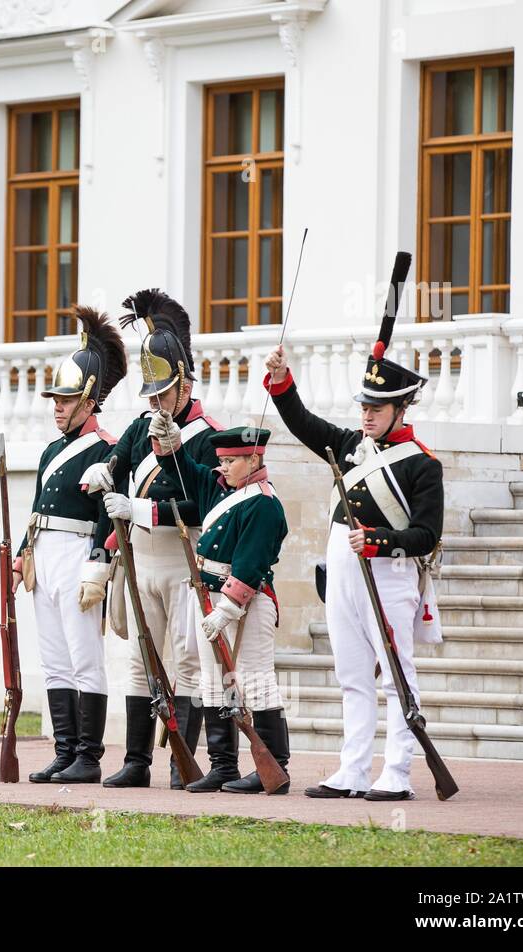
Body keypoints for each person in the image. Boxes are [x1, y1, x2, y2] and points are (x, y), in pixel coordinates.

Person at [264, 313, 442, 802]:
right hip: (343, 567)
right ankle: (353, 770)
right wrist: (282, 383)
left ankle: (398, 772)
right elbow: (302, 423)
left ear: (401, 408)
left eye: (378, 408)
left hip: (389, 572)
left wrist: (380, 540)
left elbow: (427, 535)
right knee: (352, 675)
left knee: (397, 675)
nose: (367, 416)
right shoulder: (349, 446)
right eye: (364, 406)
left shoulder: (423, 465)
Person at [82, 289, 220, 789]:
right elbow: (116, 476)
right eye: (152, 394)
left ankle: (181, 762)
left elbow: (203, 508)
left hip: (185, 562)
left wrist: (139, 508)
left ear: (184, 385)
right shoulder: (141, 429)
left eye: (163, 393)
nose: (156, 402)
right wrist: (105, 473)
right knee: (141, 660)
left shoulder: (206, 436)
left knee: (185, 659)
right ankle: (137, 761)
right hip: (142, 561)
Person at [12, 306, 127, 784]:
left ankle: (88, 755)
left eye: (65, 399)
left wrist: (99, 562)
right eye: (55, 399)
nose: (56, 406)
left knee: (85, 659)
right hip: (44, 555)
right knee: (54, 658)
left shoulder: (106, 448)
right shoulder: (50, 451)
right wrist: (22, 554)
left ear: (88, 400)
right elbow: (38, 508)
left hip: (79, 555)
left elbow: (108, 514)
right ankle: (64, 750)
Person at [145, 419, 290, 794]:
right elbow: (186, 473)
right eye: (223, 461)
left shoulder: (264, 504)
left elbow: (251, 562)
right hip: (207, 597)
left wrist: (226, 609)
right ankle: (223, 765)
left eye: (230, 461)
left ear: (254, 459)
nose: (221, 468)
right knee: (214, 684)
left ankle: (275, 766)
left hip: (245, 603)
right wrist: (170, 443)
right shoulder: (221, 489)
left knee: (255, 682)